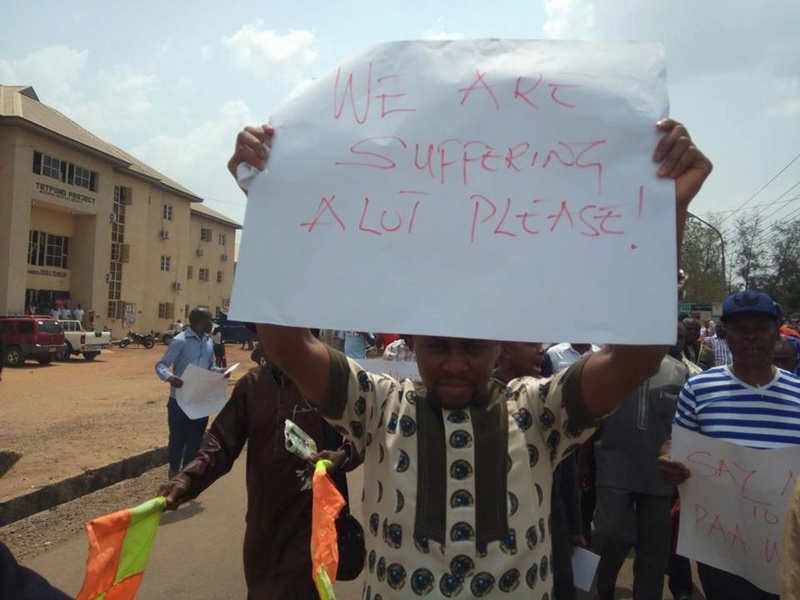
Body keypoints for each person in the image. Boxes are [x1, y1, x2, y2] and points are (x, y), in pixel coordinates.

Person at [228, 117, 712, 598]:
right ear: (413, 344)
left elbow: (638, 357)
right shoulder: (376, 406)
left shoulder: (541, 411)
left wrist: (665, 215)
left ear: (498, 345)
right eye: (438, 346)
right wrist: (269, 204)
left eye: (473, 347)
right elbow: (288, 345)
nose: (455, 364)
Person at [158, 340, 357, 599]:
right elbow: (221, 442)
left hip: (310, 523)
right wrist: (186, 479)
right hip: (262, 524)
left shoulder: (330, 385)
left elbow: (363, 438)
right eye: (265, 332)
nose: (270, 339)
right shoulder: (251, 386)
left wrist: (343, 456)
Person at [659, 290, 800, 600]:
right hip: (722, 547)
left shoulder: (798, 393)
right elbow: (676, 444)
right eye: (740, 329)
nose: (750, 337)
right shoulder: (699, 388)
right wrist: (669, 459)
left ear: (776, 332)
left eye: (760, 328)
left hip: (787, 545)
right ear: (725, 334)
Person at [593, 335, 689, 600]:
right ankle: (602, 591)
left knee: (653, 552)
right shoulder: (603, 363)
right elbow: (588, 423)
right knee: (609, 537)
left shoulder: (679, 371)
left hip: (658, 477)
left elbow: (683, 427)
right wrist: (584, 468)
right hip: (613, 467)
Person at [493, 341, 583, 600]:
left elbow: (568, 473)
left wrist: (575, 529)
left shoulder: (550, 396)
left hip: (552, 523)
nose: (541, 350)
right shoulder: (483, 396)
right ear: (503, 349)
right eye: (532, 344)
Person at [155, 307, 224, 480]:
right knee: (177, 440)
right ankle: (173, 474)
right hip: (179, 400)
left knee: (195, 441)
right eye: (209, 321)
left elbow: (209, 366)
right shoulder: (180, 341)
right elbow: (161, 365)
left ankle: (184, 479)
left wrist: (220, 372)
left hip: (199, 401)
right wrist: (170, 377)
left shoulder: (208, 342)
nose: (212, 324)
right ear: (200, 321)